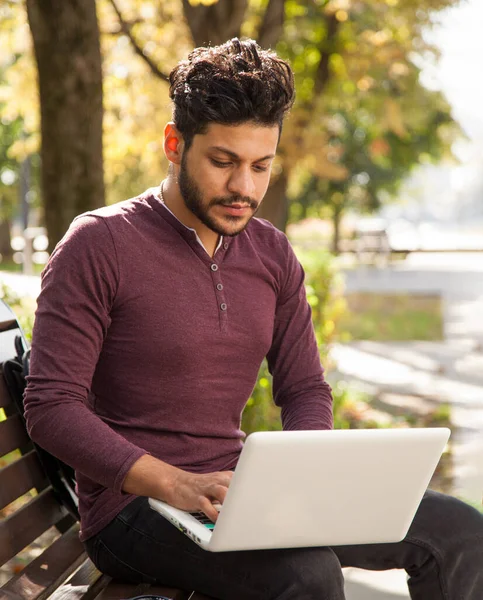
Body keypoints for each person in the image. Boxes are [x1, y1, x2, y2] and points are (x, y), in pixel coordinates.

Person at [24, 38, 483, 600]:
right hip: (133, 510)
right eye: (223, 162)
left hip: (245, 494)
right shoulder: (99, 244)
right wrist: (175, 484)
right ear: (175, 144)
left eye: (260, 166)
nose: (244, 187)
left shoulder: (271, 254)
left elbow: (305, 387)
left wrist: (305, 478)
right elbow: (51, 408)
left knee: (457, 531)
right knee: (306, 573)